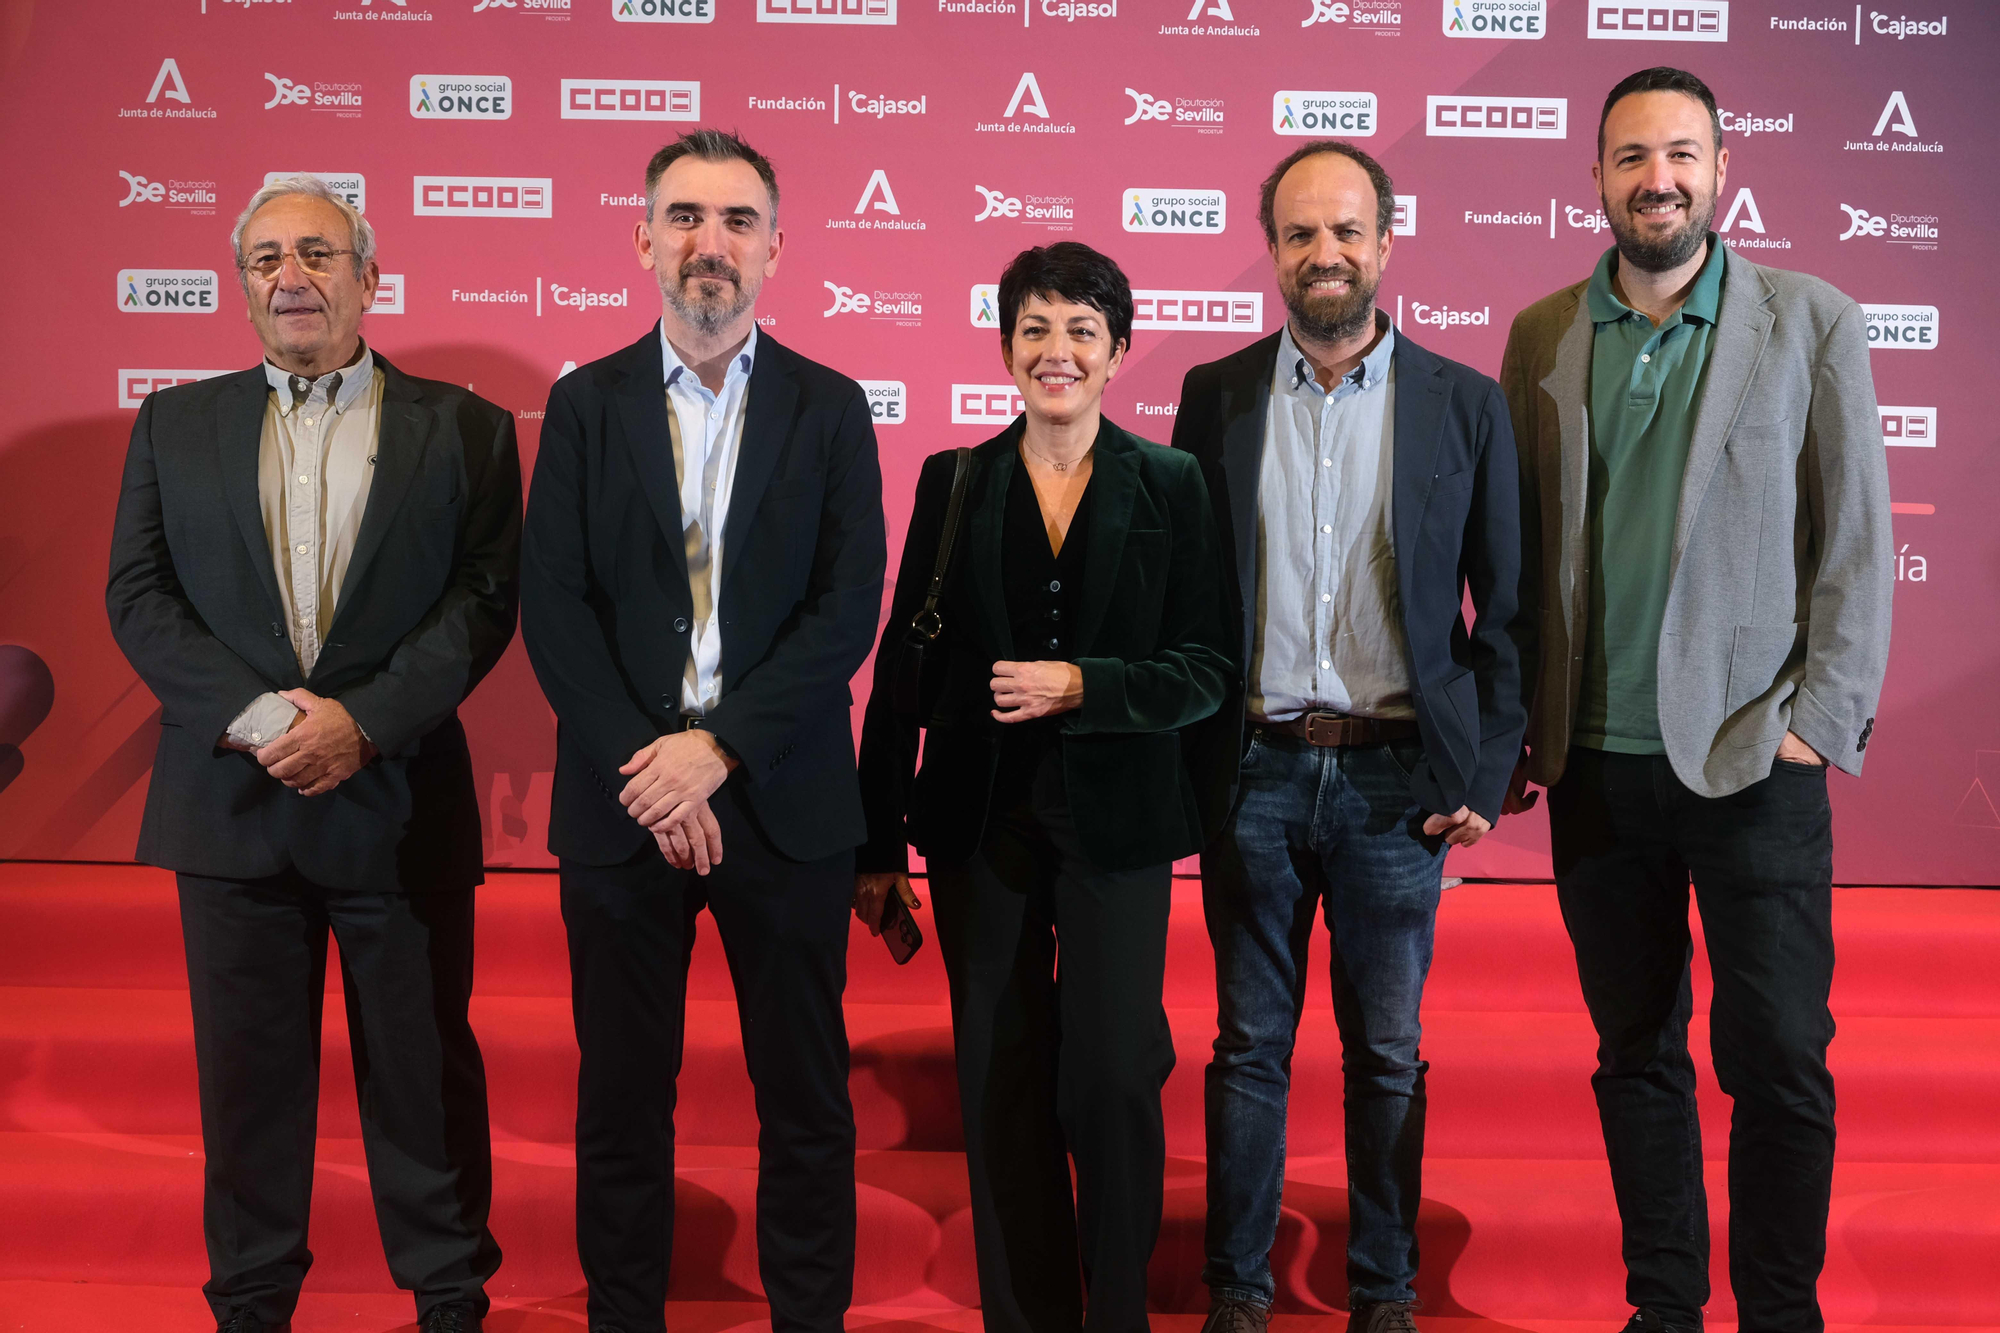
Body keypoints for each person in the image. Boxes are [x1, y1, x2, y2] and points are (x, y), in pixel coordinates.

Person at [1498, 67, 1892, 1333]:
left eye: (1678, 154)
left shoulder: (1810, 318)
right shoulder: (1541, 332)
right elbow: (1514, 553)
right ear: (1595, 177)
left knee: (1777, 1055)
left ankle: (1779, 1312)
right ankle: (1661, 1307)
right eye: (1627, 157)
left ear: (1720, 169)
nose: (1653, 177)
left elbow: (1855, 549)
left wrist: (1809, 727)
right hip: (1595, 761)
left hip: (1749, 757)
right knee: (1635, 1054)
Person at [105, 175, 518, 1333]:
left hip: (396, 804)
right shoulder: (173, 424)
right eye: (267, 259)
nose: (292, 276)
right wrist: (264, 722)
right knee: (246, 1093)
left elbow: (483, 603)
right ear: (242, 286)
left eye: (319, 254)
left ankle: (448, 1300)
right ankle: (250, 1307)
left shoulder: (469, 428)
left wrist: (361, 722)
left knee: (425, 1080)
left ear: (367, 278)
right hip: (231, 810)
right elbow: (138, 598)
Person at [519, 129, 886, 1333]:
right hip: (623, 807)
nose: (708, 244)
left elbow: (845, 608)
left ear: (776, 249)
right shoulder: (582, 404)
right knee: (622, 1100)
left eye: (736, 221)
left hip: (782, 801)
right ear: (641, 240)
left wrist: (715, 750)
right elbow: (555, 606)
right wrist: (654, 769)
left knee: (805, 1100)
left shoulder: (831, 408)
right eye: (684, 217)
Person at [1171, 142, 1529, 1333]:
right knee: (1247, 1048)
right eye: (1297, 233)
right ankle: (1237, 1291)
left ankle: (1383, 1289)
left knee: (1386, 1052)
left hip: (1394, 784)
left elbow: (1506, 612)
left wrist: (1481, 767)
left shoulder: (1464, 404)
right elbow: (1186, 601)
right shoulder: (1212, 395)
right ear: (1270, 248)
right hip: (1255, 774)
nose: (1322, 253)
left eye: (1345, 231)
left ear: (1385, 241)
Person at [853, 241, 1232, 1333]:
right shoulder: (954, 478)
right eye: (1034, 329)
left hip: (1117, 823)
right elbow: (901, 670)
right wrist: (879, 844)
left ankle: (1114, 1314)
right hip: (977, 822)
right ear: (1004, 348)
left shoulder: (1170, 481)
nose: (1054, 351)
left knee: (1113, 1076)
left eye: (1079, 331)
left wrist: (1085, 684)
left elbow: (1207, 665)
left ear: (1116, 351)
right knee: (1000, 1081)